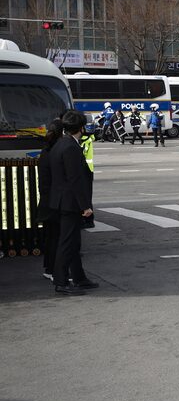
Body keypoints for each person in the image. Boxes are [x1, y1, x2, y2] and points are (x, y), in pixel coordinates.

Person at [49, 110, 99, 295]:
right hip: (69, 202)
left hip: (62, 200)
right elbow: (75, 180)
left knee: (74, 242)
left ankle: (79, 278)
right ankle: (61, 281)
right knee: (67, 242)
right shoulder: (71, 147)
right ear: (81, 128)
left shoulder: (61, 144)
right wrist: (85, 206)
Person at [36, 119, 63, 282]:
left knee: (51, 237)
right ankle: (53, 270)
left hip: (48, 201)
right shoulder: (54, 152)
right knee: (56, 237)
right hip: (54, 202)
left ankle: (49, 268)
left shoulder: (46, 150)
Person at [78, 120, 96, 229]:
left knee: (83, 196)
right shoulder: (88, 139)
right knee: (87, 195)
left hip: (84, 169)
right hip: (89, 169)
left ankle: (88, 220)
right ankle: (88, 220)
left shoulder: (83, 140)